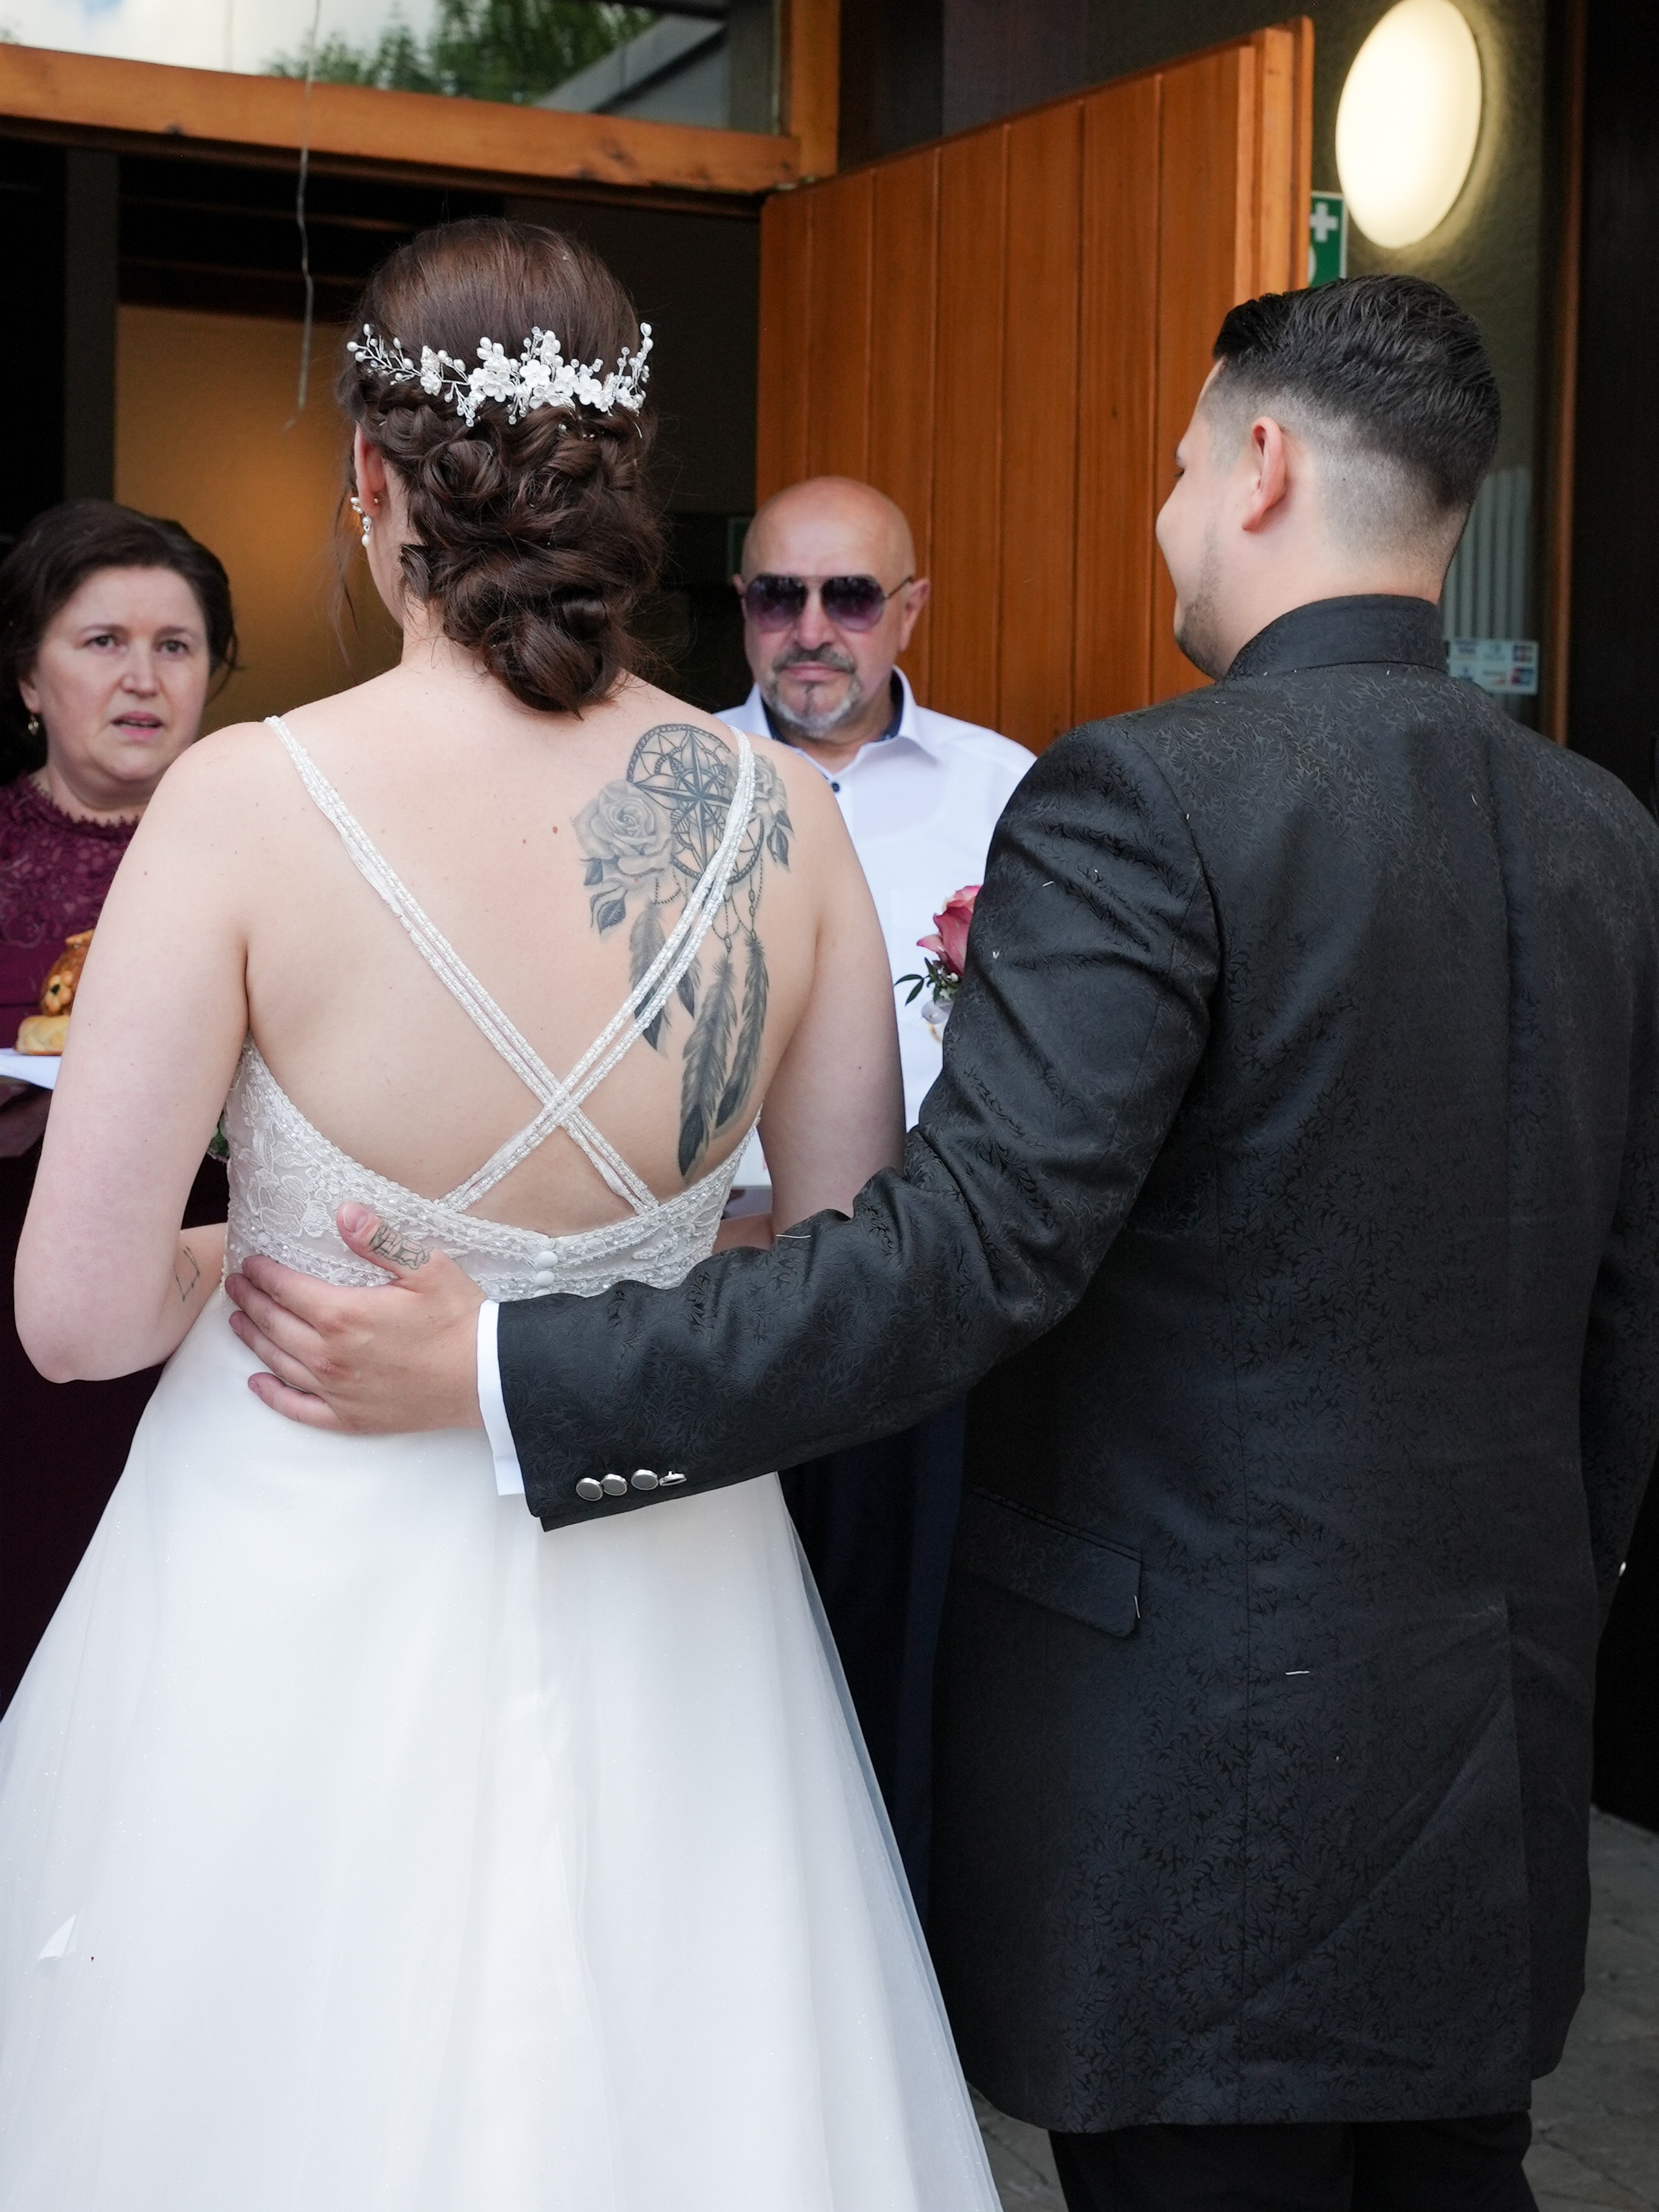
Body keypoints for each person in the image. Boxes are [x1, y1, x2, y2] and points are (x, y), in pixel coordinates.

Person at [232, 275, 1659, 2211]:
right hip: (1492, 1757)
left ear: (1257, 468)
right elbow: (1621, 1313)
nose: (1162, 518)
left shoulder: (1150, 796)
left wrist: (509, 1364)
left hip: (1202, 1789)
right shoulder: (1603, 832)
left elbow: (960, 1256)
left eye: (1171, 468)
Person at [1, 218, 1000, 2209]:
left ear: (372, 479)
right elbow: (849, 1273)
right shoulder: (783, 824)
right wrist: (580, 1303)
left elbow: (81, 1312)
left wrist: (241, 1256)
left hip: (286, 1547)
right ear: (622, 482)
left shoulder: (247, 800)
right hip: (673, 1561)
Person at [722, 474, 1032, 1907]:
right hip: (703, 1289)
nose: (808, 631)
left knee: (893, 1643)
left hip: (917, 1300)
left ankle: (882, 1953)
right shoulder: (662, 780)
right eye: (774, 596)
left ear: (909, 608)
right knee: (715, 1643)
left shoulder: (1008, 796)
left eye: (847, 597)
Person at [0, 500, 236, 1711]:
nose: (142, 678)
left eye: (177, 645)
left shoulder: (270, 860)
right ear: (29, 676)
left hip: (217, 1299)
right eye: (101, 642)